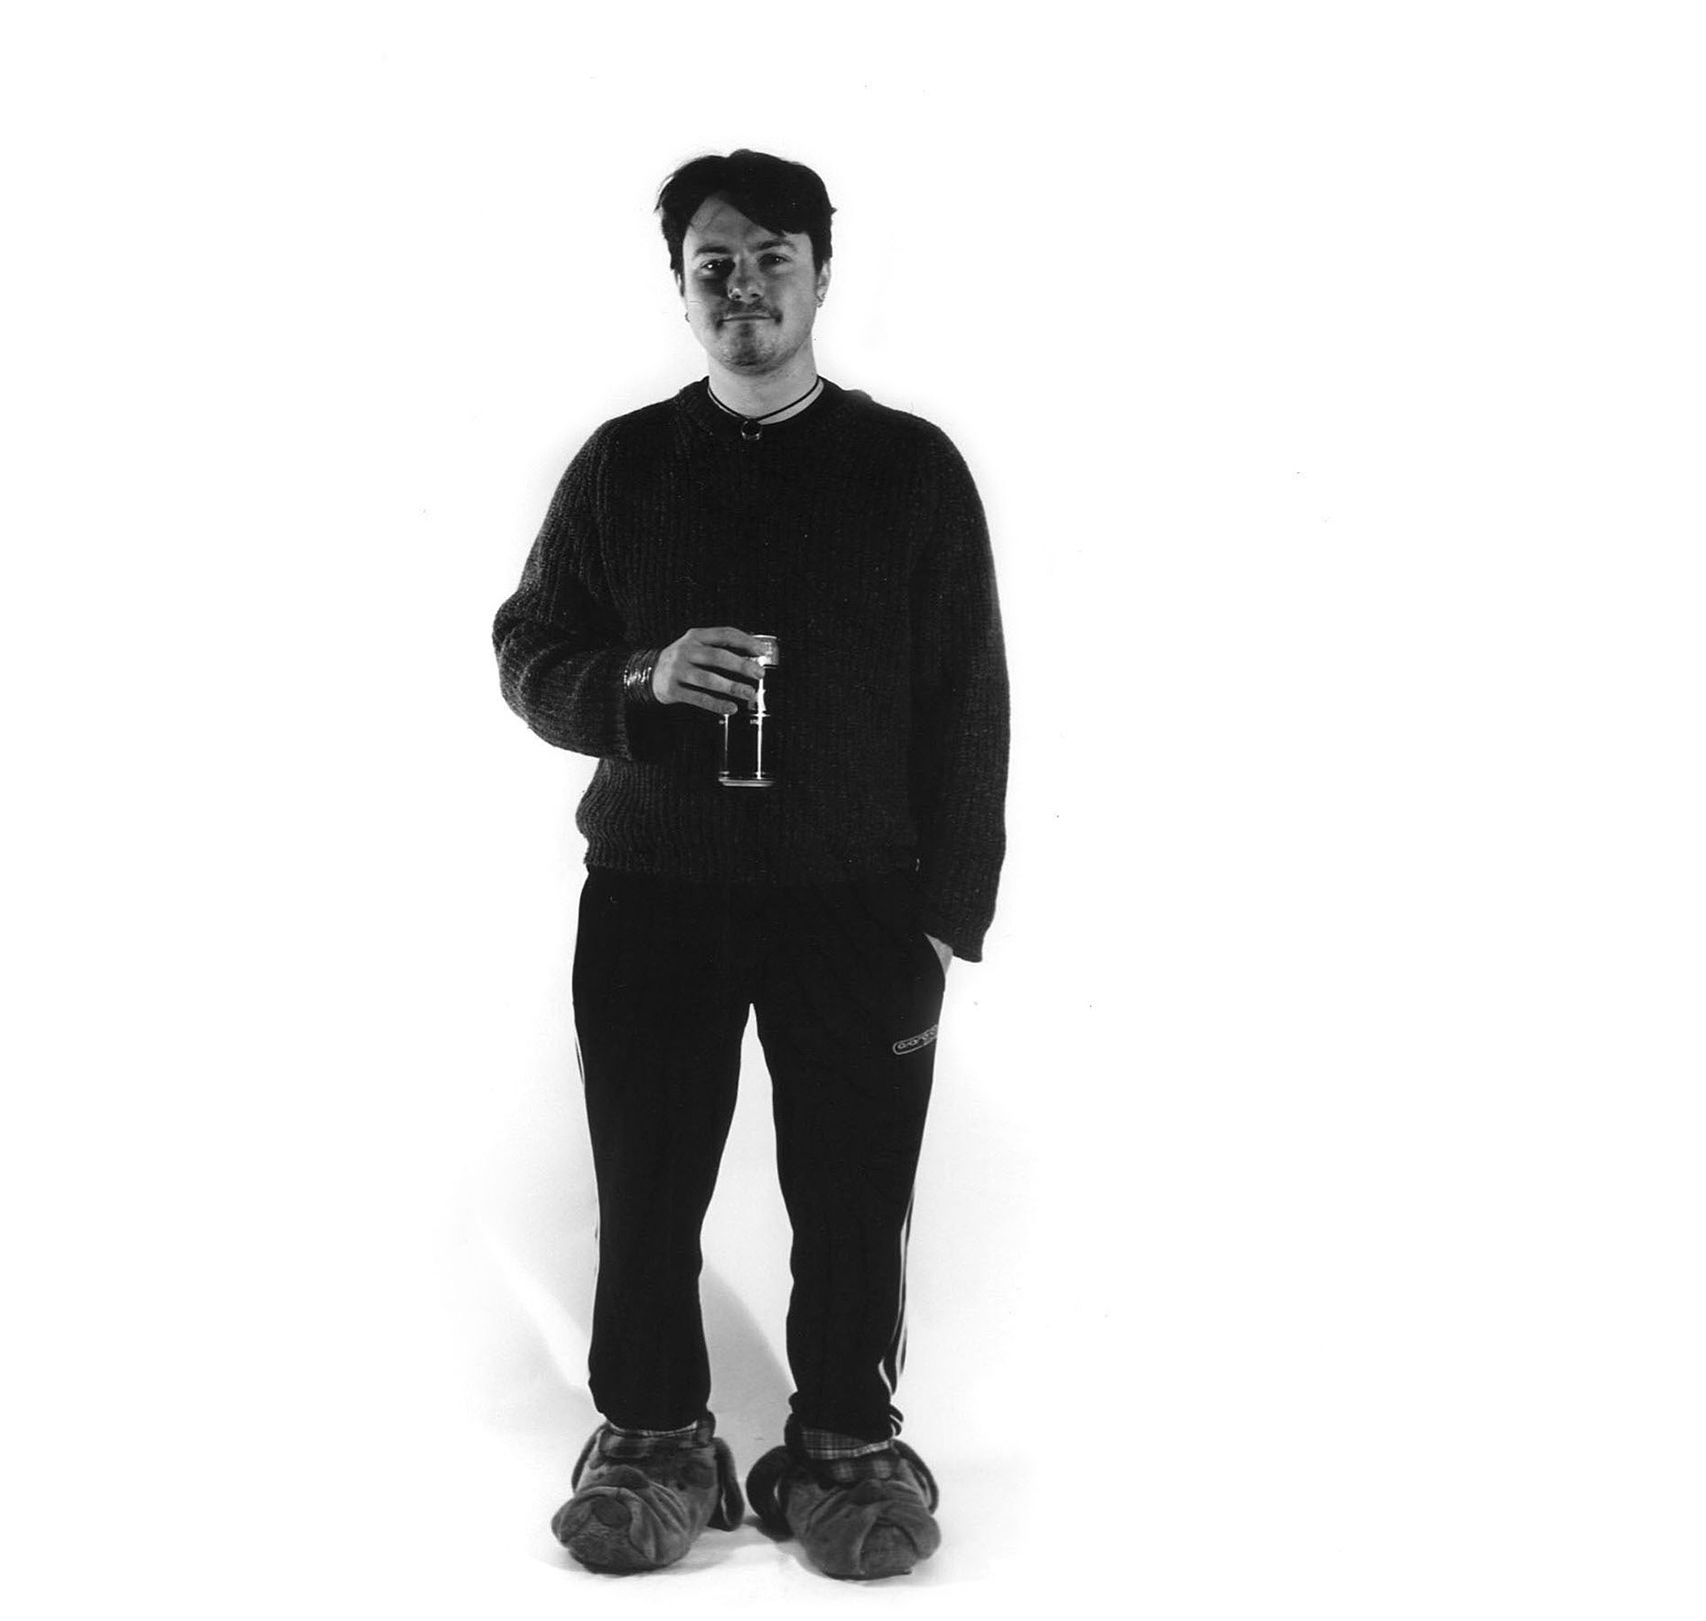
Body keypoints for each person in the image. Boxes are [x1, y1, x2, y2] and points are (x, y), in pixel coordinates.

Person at [492, 149, 1008, 1580]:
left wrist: (945, 912)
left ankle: (845, 1441)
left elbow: (970, 698)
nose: (742, 288)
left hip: (860, 899)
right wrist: (639, 676)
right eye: (711, 264)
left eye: (772, 257)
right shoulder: (623, 465)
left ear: (822, 275)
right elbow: (529, 650)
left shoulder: (910, 468)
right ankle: (654, 1436)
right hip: (655, 891)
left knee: (853, 1195)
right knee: (647, 1185)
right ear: (680, 287)